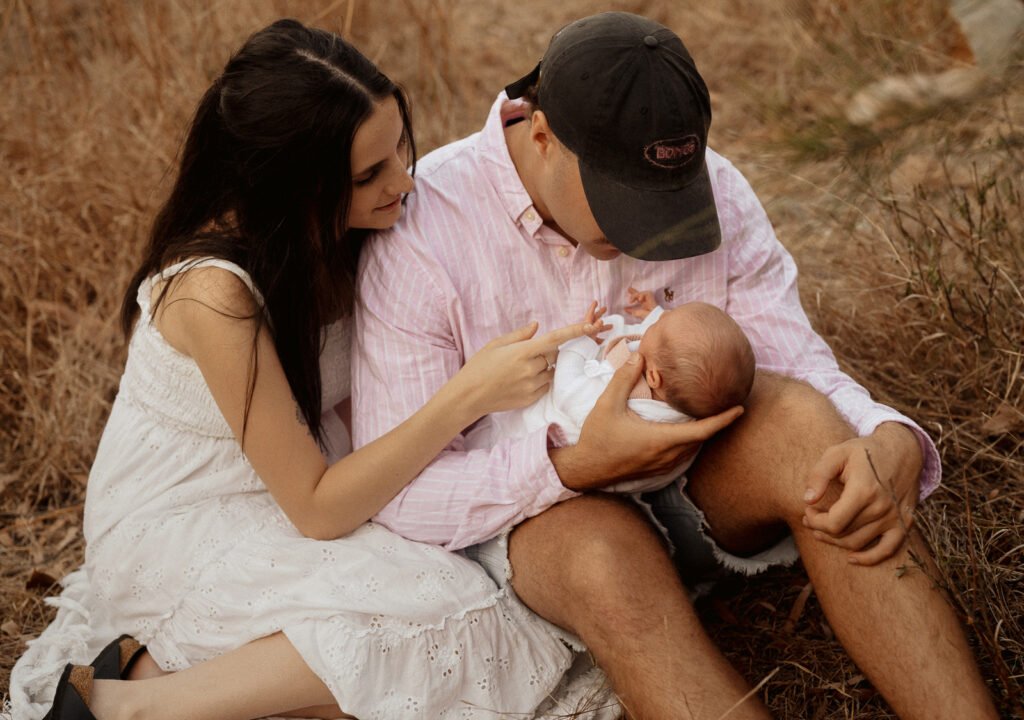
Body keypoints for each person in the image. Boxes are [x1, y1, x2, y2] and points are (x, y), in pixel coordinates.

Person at [352, 11, 999, 719]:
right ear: (541, 136)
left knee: (815, 436)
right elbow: (402, 495)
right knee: (605, 562)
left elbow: (791, 359)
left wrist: (886, 433)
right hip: (551, 523)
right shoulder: (421, 235)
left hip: (701, 481)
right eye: (625, 205)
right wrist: (568, 467)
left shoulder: (713, 186)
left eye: (666, 201)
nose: (652, 231)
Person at [9, 19, 605, 720]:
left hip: (307, 483)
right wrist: (465, 395)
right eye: (368, 175)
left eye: (399, 149)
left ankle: (159, 673)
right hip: (194, 517)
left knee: (466, 618)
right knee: (448, 623)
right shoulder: (214, 293)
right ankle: (122, 706)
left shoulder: (351, 229)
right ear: (290, 187)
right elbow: (317, 508)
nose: (403, 182)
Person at [467, 293, 755, 495]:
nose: (655, 323)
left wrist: (580, 344)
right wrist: (656, 316)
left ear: (652, 377)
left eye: (656, 326)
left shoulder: (631, 402)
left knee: (494, 432)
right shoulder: (684, 400)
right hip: (640, 483)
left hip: (533, 438)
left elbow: (570, 394)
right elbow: (672, 346)